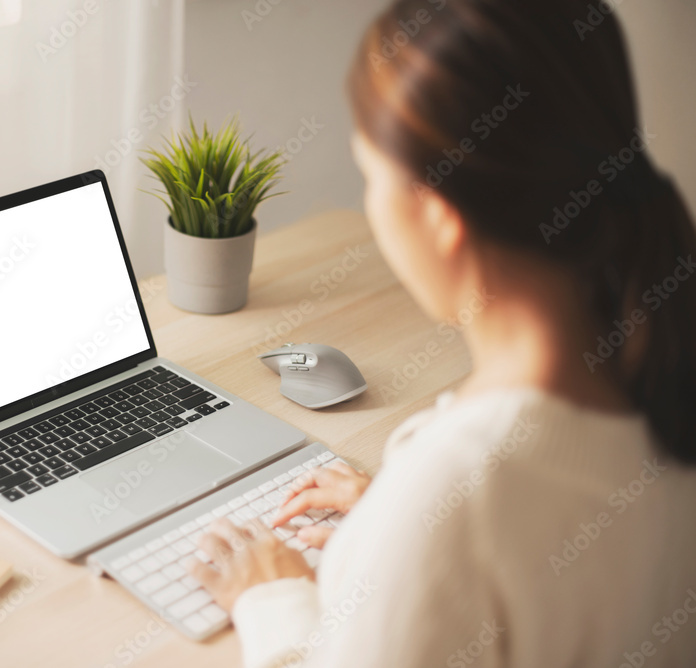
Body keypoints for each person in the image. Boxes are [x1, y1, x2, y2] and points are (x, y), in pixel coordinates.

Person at [185, 1, 696, 666]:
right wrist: (396, 531)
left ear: (439, 216)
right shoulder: (659, 372)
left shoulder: (460, 492)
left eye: (371, 178)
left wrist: (273, 597)